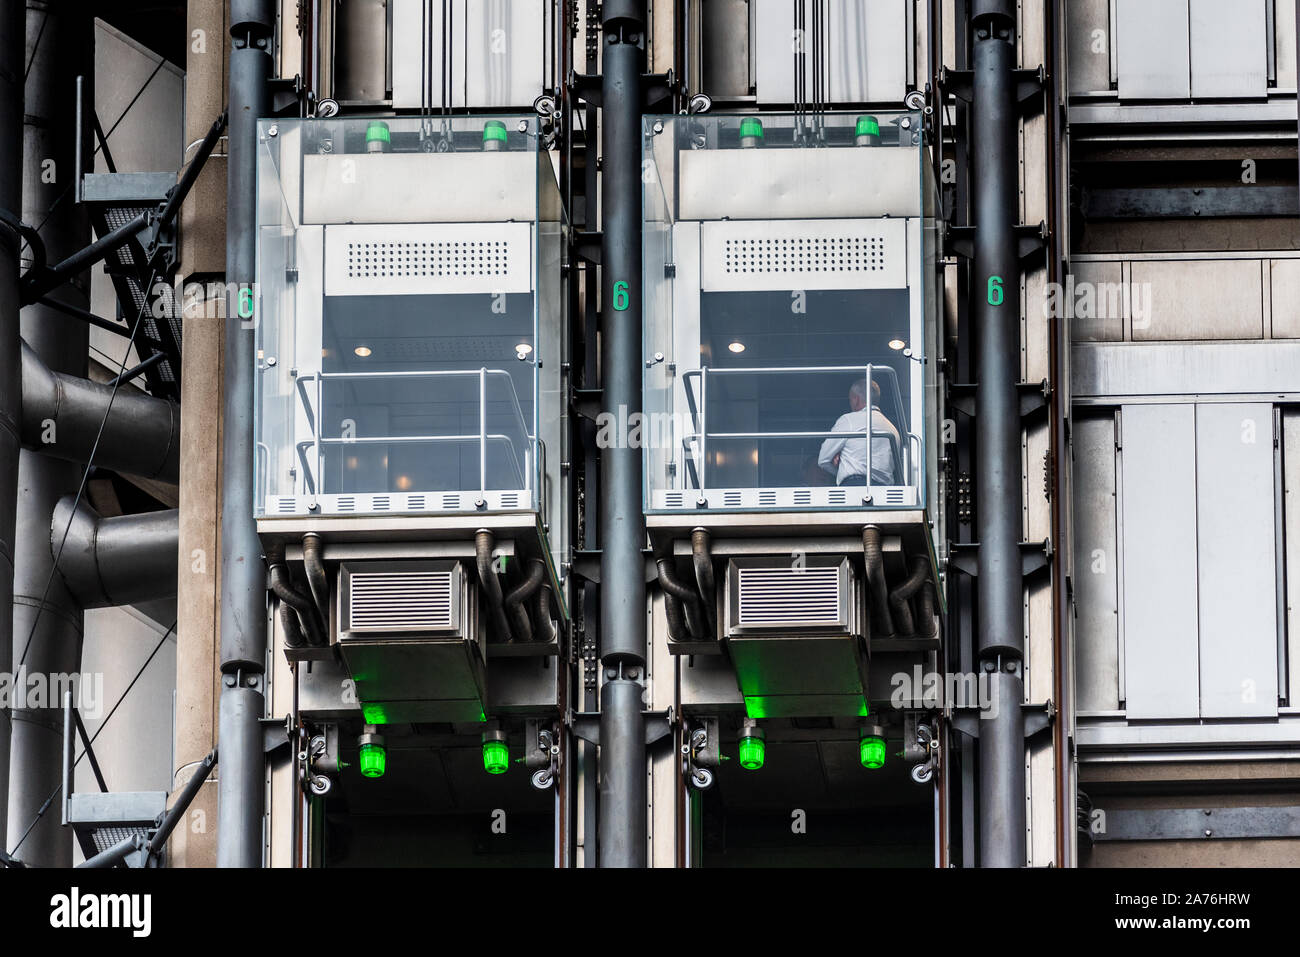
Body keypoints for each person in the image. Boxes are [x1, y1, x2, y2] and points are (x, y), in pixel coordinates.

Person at [818, 378, 901, 486]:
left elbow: (823, 459)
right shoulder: (892, 429)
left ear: (856, 399)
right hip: (884, 490)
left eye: (850, 400)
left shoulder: (849, 420)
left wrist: (840, 468)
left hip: (855, 485)